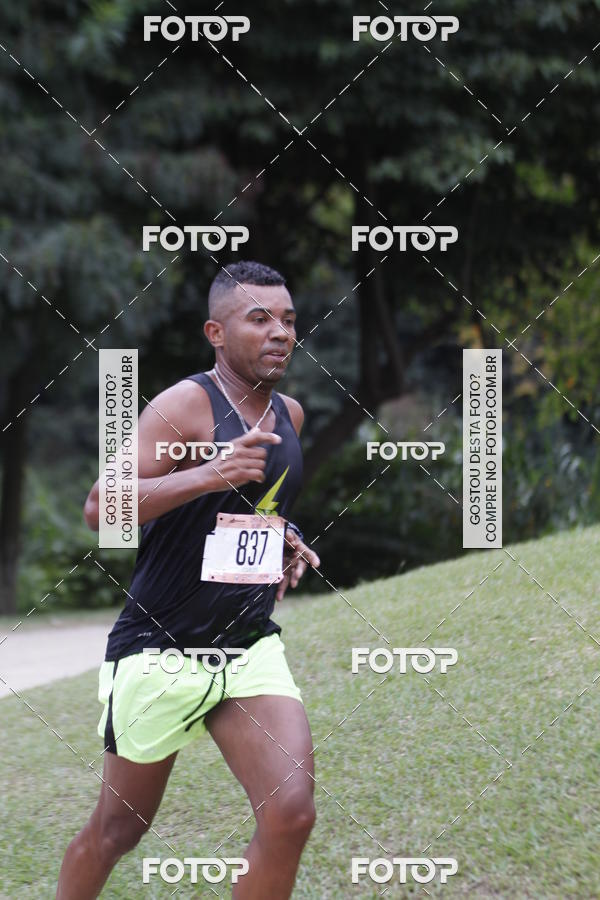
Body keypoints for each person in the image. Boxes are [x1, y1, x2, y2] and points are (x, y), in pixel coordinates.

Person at [56, 261, 320, 899]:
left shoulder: (291, 413)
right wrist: (209, 472)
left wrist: (280, 538)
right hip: (158, 650)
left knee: (291, 813)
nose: (279, 332)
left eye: (286, 319)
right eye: (258, 319)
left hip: (248, 646)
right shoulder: (187, 405)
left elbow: (252, 509)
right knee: (119, 830)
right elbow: (101, 507)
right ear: (217, 333)